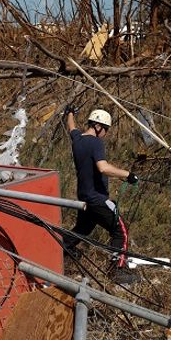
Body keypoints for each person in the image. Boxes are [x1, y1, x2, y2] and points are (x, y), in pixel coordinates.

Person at [64, 106, 140, 284]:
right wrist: (128, 175)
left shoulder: (78, 139)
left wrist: (70, 114)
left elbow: (72, 128)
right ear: (98, 127)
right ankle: (116, 271)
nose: (105, 133)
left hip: (84, 198)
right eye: (106, 129)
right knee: (121, 231)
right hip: (97, 199)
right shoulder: (96, 143)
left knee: (81, 230)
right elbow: (103, 168)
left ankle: (59, 251)